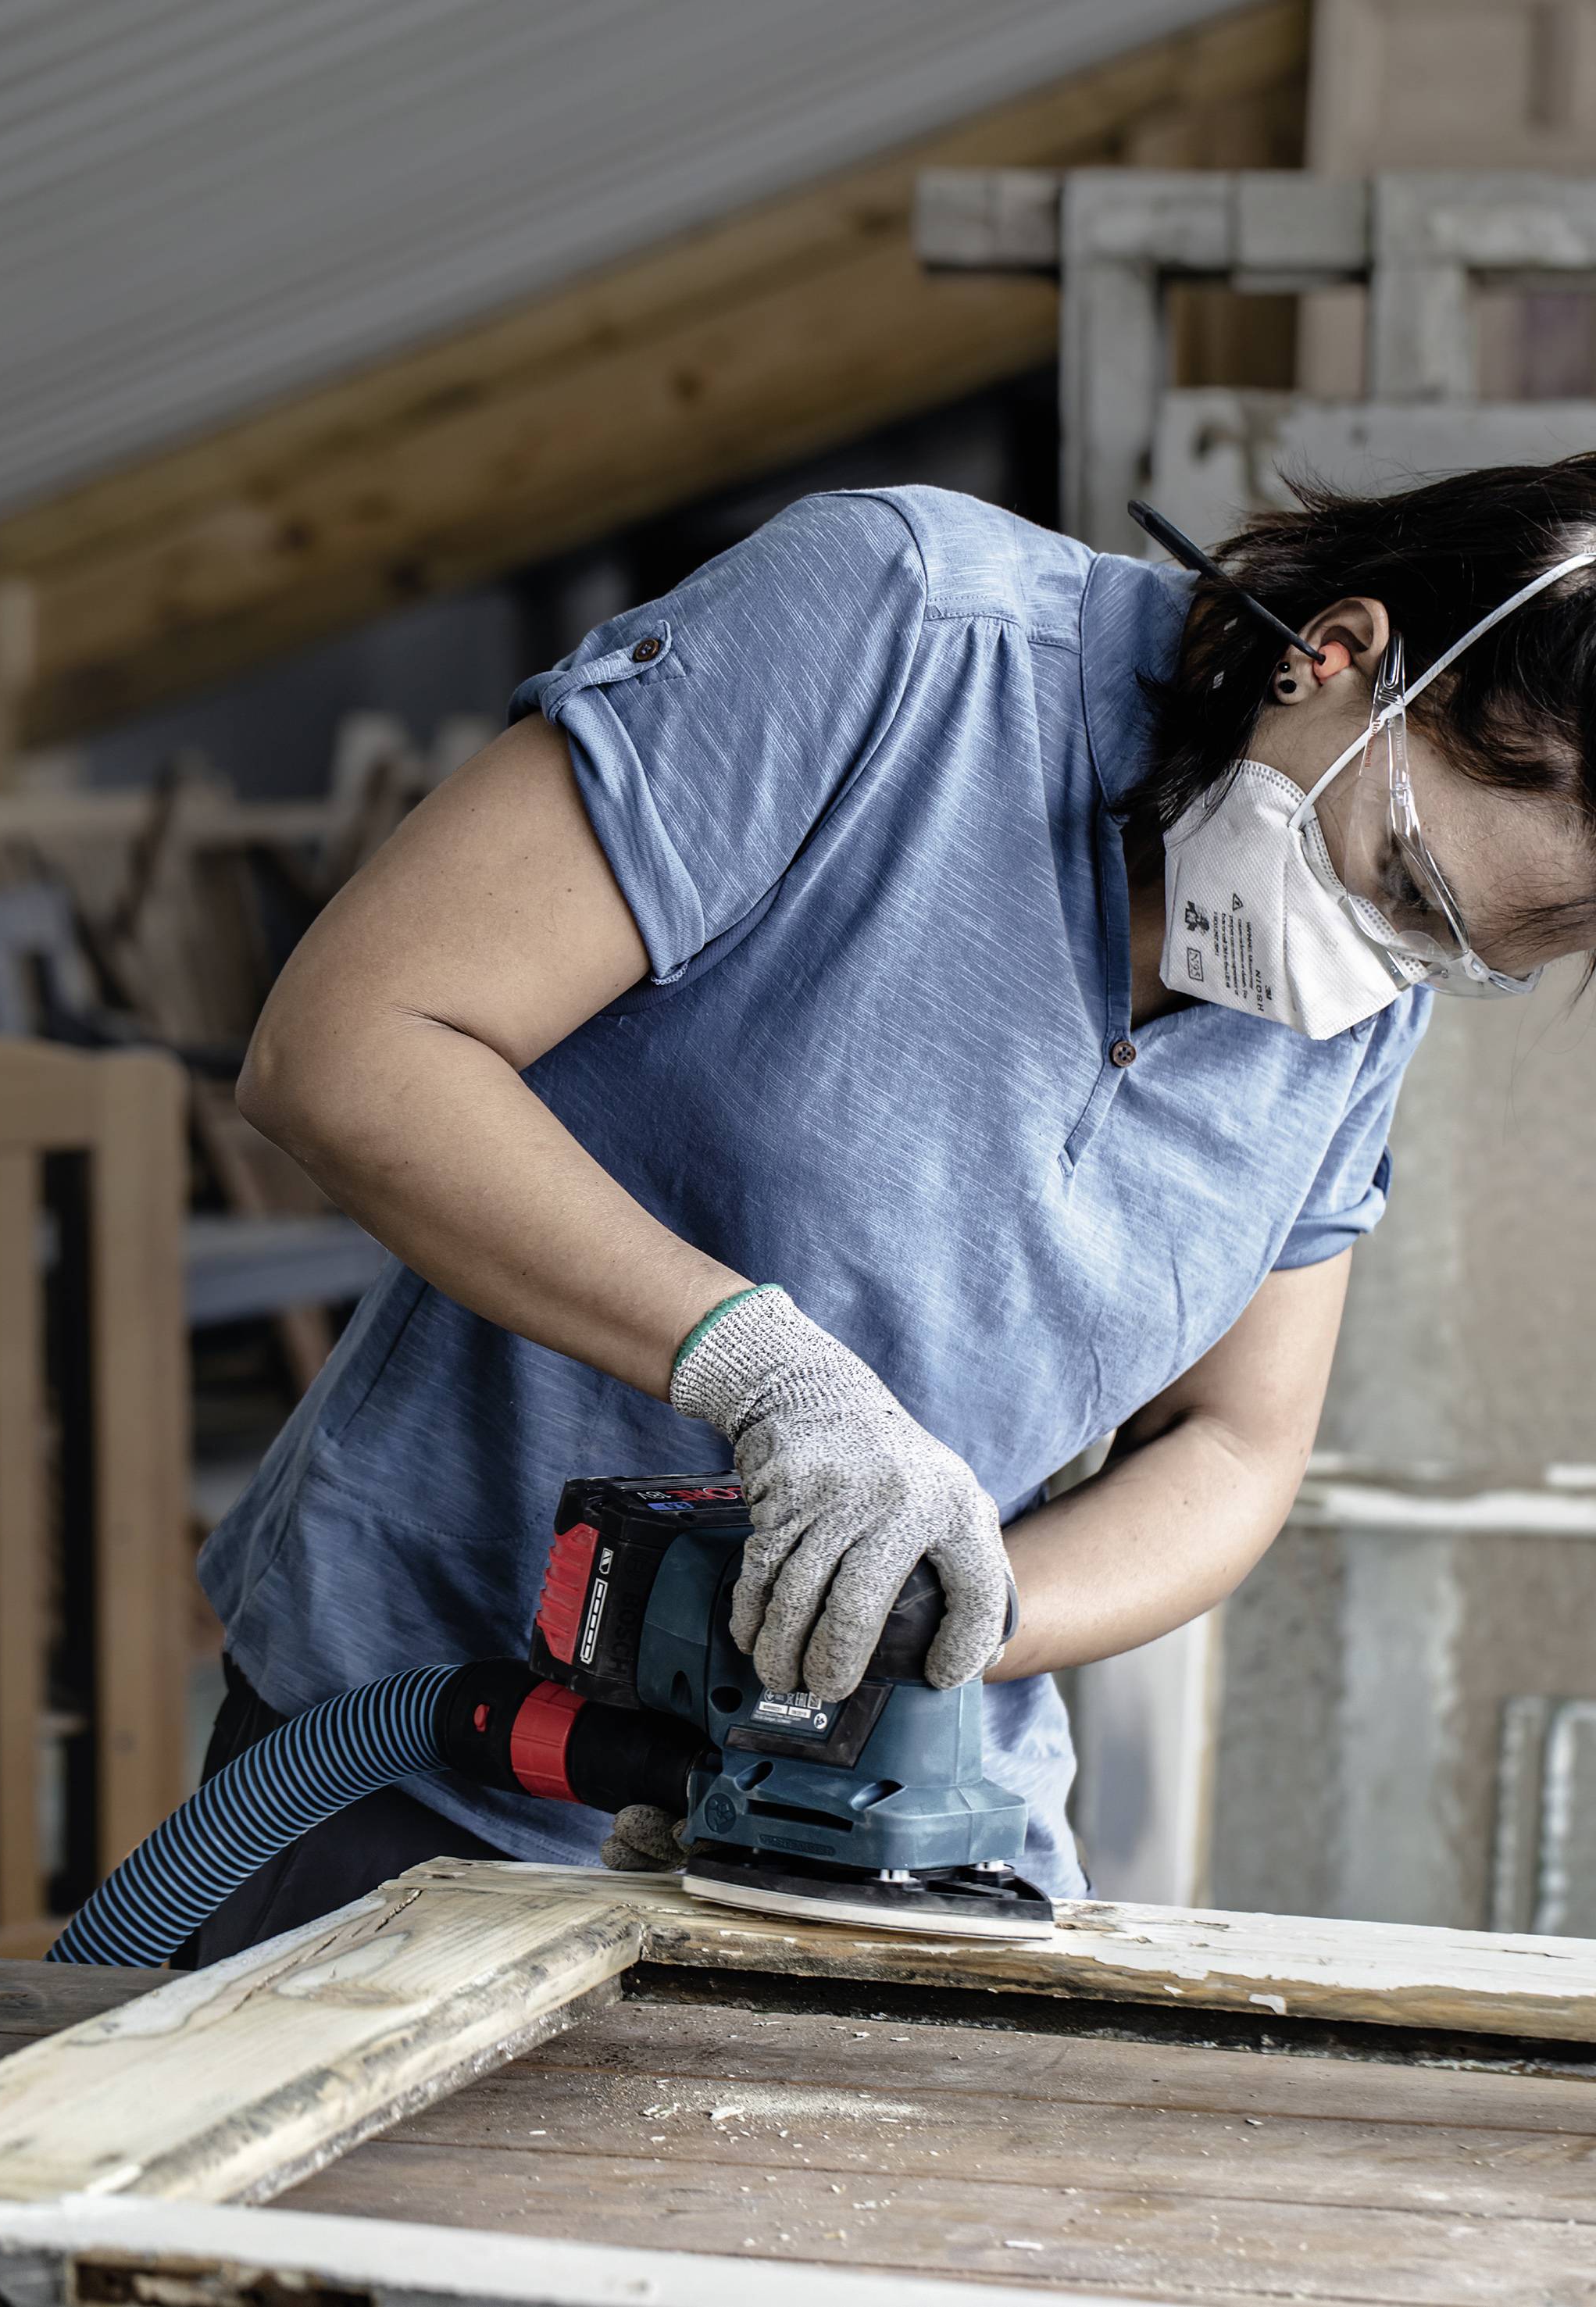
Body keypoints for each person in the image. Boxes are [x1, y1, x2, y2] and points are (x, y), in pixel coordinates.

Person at [179, 456, 1596, 1964]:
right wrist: (766, 1374)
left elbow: (1234, 1444)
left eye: (1450, 952)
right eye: (1404, 879)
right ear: (1340, 655)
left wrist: (934, 1624)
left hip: (905, 1842)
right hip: (433, 1760)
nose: (1377, 958)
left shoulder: (1363, 998)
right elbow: (350, 1045)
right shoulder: (902, 630)